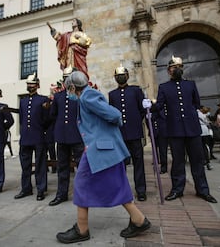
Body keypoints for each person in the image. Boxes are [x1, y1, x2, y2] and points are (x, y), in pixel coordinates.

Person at [56, 71, 151, 244]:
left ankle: (82, 229)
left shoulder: (87, 96)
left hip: (100, 149)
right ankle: (139, 220)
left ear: (72, 87)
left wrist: (101, 136)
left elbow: (115, 115)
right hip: (103, 149)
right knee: (117, 184)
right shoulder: (86, 96)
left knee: (81, 183)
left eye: (68, 88)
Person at [143, 55, 217, 203]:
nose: (176, 69)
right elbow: (159, 106)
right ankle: (177, 189)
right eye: (173, 67)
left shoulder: (191, 85)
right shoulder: (164, 87)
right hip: (175, 130)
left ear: (182, 69)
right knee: (178, 162)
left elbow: (196, 103)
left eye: (179, 67)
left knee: (197, 160)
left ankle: (203, 190)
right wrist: (149, 106)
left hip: (192, 128)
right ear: (168, 71)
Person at [108, 65, 147, 201]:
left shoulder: (135, 90)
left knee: (138, 163)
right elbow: (112, 113)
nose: (120, 77)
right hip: (120, 135)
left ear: (128, 76)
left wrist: (135, 122)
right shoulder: (112, 94)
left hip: (135, 132)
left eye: (122, 75)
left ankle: (141, 191)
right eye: (118, 76)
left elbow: (142, 110)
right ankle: (121, 190)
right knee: (121, 165)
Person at [48, 67, 84, 207]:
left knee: (81, 168)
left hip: (77, 136)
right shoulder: (58, 96)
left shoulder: (80, 95)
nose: (66, 81)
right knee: (62, 167)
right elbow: (53, 115)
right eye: (64, 78)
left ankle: (83, 194)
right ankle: (61, 194)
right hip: (62, 137)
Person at [15, 73, 50, 201]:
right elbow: (22, 120)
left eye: (32, 84)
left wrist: (42, 130)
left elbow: (47, 119)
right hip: (25, 137)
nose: (30, 86)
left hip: (39, 136)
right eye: (28, 84)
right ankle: (26, 189)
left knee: (40, 165)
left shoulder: (43, 100)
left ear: (37, 86)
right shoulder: (23, 101)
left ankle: (41, 189)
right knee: (25, 165)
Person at [197, 106, 213, 170]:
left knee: (200, 147)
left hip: (199, 131)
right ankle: (207, 161)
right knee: (204, 147)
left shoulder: (197, 113)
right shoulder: (205, 115)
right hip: (205, 131)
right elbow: (208, 122)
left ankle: (202, 161)